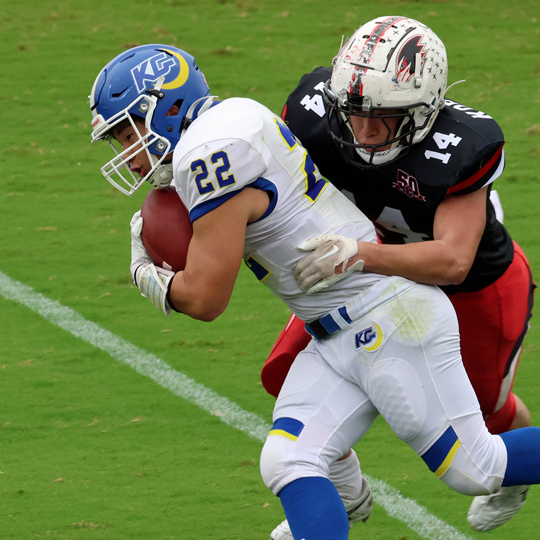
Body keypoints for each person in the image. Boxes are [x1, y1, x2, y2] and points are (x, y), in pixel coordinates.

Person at [88, 44, 540, 540]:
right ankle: (340, 497)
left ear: (167, 109)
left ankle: (342, 496)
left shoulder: (209, 155)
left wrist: (145, 274)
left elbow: (205, 299)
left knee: (476, 468)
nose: (127, 152)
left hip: (387, 318)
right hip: (334, 329)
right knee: (287, 459)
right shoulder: (234, 116)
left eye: (128, 131)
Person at [265, 15, 537, 538]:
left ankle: (517, 474)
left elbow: (453, 260)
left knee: (486, 413)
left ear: (423, 110)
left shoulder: (461, 146)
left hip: (473, 286)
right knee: (282, 372)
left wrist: (359, 254)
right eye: (354, 112)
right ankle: (337, 487)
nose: (363, 131)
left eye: (383, 118)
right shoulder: (312, 113)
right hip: (367, 278)